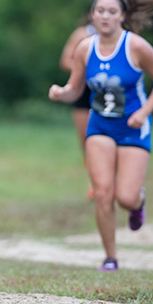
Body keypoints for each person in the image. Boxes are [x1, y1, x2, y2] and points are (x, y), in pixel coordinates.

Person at [49, 0, 153, 272]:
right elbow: (75, 89)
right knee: (103, 193)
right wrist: (61, 93)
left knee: (125, 197)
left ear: (122, 16)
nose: (105, 16)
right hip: (99, 126)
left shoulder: (137, 47)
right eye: (100, 11)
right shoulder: (84, 48)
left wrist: (144, 112)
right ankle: (110, 257)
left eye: (112, 12)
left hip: (132, 127)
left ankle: (138, 203)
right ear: (93, 14)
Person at [58, 14, 96, 199]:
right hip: (83, 90)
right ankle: (93, 182)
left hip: (111, 92)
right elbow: (65, 61)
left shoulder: (124, 37)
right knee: (86, 140)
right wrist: (87, 68)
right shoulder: (81, 35)